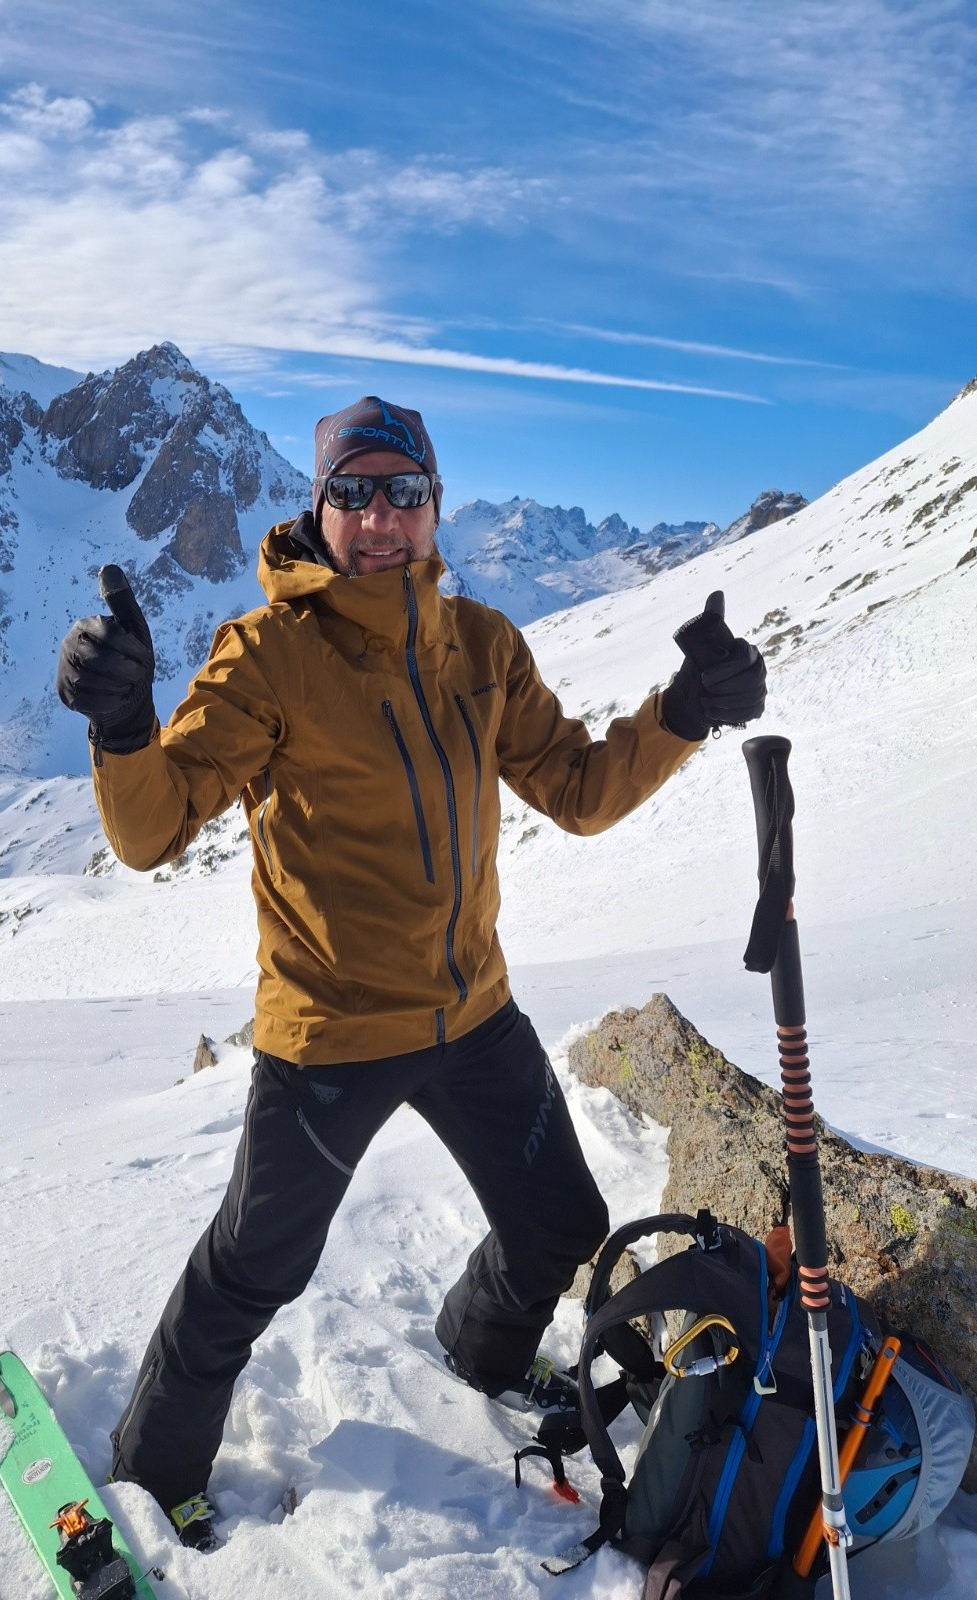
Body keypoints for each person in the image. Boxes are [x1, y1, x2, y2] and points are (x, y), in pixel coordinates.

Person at [55, 396, 767, 1549]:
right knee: (255, 1265)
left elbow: (578, 790)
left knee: (561, 1221)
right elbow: (151, 830)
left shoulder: (480, 644)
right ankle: (155, 1465)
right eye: (354, 493)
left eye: (404, 492)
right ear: (318, 507)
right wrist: (125, 726)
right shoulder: (267, 655)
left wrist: (684, 711)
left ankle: (476, 1353)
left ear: (434, 506)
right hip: (329, 1031)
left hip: (473, 1011)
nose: (381, 518)